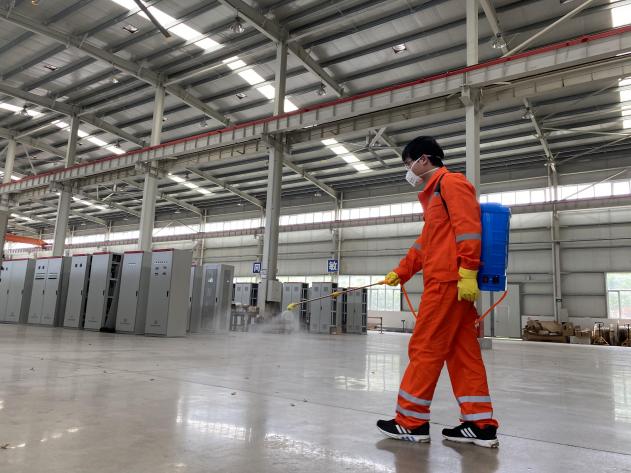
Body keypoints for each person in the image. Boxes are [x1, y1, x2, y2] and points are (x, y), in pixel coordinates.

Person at [376, 136, 499, 448]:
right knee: (462, 353)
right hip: (450, 282)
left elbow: (469, 229)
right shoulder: (434, 197)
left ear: (424, 160)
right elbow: (425, 244)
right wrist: (401, 271)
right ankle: (480, 424)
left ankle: (411, 422)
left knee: (425, 348)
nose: (408, 171)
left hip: (447, 282)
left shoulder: (451, 184)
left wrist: (468, 270)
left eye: (408, 163)